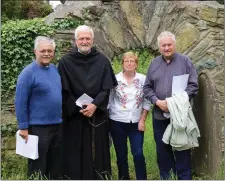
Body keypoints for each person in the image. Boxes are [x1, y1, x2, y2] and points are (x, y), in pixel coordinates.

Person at [58, 25, 117, 180]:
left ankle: (99, 176)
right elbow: (64, 90)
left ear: (92, 40)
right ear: (76, 41)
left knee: (98, 150)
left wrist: (94, 105)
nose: (84, 41)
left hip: (97, 114)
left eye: (87, 38)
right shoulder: (65, 62)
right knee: (74, 150)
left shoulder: (102, 60)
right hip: (74, 115)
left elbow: (106, 88)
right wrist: (80, 108)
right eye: (81, 39)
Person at [143, 31, 198, 180]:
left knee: (182, 148)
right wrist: (157, 101)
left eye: (169, 44)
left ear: (174, 45)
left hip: (179, 115)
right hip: (160, 115)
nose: (167, 48)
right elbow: (147, 88)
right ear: (159, 47)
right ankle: (167, 177)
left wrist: (175, 103)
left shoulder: (185, 62)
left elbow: (193, 86)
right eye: (164, 45)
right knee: (162, 150)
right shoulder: (154, 64)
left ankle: (184, 178)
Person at [15, 36, 62, 179]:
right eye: (43, 51)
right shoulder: (28, 73)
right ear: (35, 52)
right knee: (38, 166)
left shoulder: (54, 70)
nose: (47, 53)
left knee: (55, 164)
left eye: (50, 50)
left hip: (57, 125)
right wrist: (23, 126)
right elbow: (20, 101)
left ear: (53, 52)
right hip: (38, 128)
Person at [108, 52, 150, 180]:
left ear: (136, 64)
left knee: (138, 153)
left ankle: (141, 178)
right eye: (127, 61)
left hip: (136, 122)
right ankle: (123, 178)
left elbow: (147, 101)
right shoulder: (115, 79)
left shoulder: (143, 79)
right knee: (121, 155)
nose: (130, 63)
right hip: (117, 121)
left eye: (132, 61)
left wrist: (143, 120)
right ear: (122, 64)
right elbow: (109, 100)